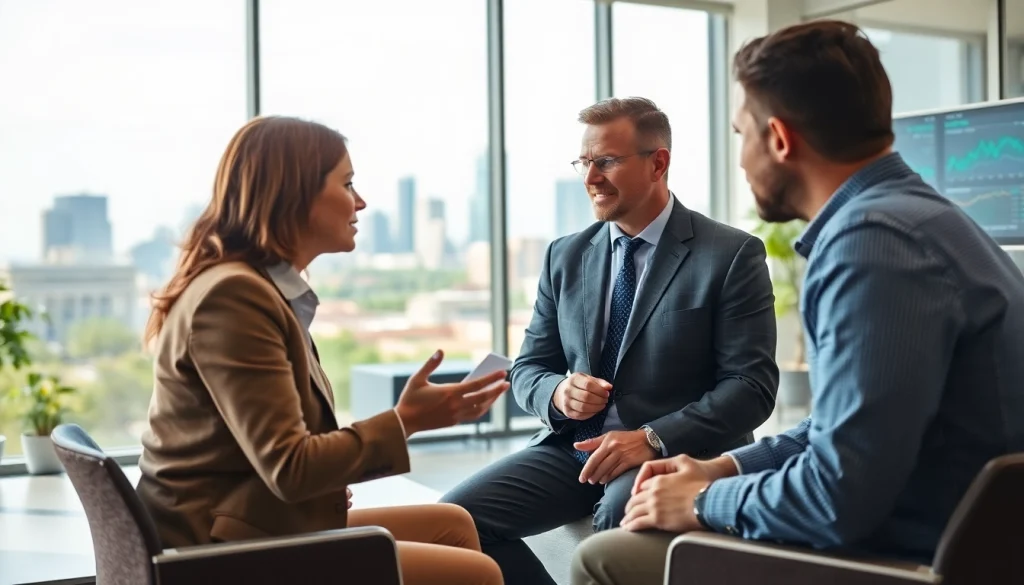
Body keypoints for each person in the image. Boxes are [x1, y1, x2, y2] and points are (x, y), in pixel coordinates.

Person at [571, 19, 1024, 585]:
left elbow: (837, 496)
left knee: (601, 558)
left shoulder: (871, 244)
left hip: (911, 558)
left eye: (741, 135)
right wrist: (725, 464)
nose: (739, 160)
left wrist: (706, 499)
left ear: (779, 140)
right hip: (938, 526)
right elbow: (839, 428)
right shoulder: (922, 216)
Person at [135, 115, 509, 585]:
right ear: (294, 195)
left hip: (248, 517)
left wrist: (329, 483)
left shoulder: (256, 287)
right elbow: (290, 468)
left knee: (453, 524)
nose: (361, 201)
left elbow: (270, 449)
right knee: (477, 574)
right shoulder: (234, 297)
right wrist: (407, 420)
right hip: (218, 551)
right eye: (347, 183)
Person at [441, 97, 780, 585]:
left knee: (616, 521)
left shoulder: (730, 255)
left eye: (606, 162)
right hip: (574, 450)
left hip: (674, 450)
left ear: (658, 162)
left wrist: (650, 438)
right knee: (454, 522)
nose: (589, 178)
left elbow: (751, 388)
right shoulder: (566, 255)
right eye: (584, 162)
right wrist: (557, 392)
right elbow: (528, 368)